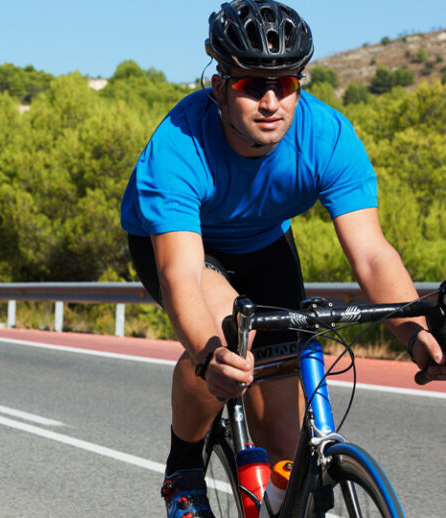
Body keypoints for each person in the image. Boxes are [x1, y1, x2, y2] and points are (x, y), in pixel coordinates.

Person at [119, 1, 446, 516]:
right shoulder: (178, 145)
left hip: (264, 243)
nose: (271, 102)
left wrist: (415, 333)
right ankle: (183, 468)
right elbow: (181, 274)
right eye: (252, 85)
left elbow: (372, 254)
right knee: (228, 335)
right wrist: (207, 356)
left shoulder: (327, 136)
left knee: (285, 447)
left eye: (286, 84)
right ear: (220, 86)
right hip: (182, 245)